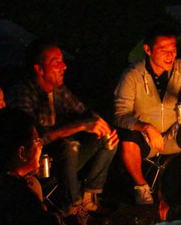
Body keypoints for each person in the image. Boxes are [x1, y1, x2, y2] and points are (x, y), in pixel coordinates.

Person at [7, 40, 118, 215]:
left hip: (65, 161)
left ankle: (89, 195)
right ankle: (73, 205)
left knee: (106, 136)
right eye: (56, 63)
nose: (64, 67)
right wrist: (81, 125)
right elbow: (33, 139)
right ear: (39, 69)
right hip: (39, 163)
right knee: (68, 146)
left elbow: (84, 111)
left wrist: (101, 125)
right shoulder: (22, 93)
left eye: (62, 61)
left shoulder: (58, 90)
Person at [114, 25, 181, 205]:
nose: (170, 55)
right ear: (148, 49)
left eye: (173, 49)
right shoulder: (133, 74)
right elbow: (120, 114)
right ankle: (142, 187)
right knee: (127, 135)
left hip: (173, 134)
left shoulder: (180, 69)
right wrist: (145, 126)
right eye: (163, 50)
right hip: (146, 139)